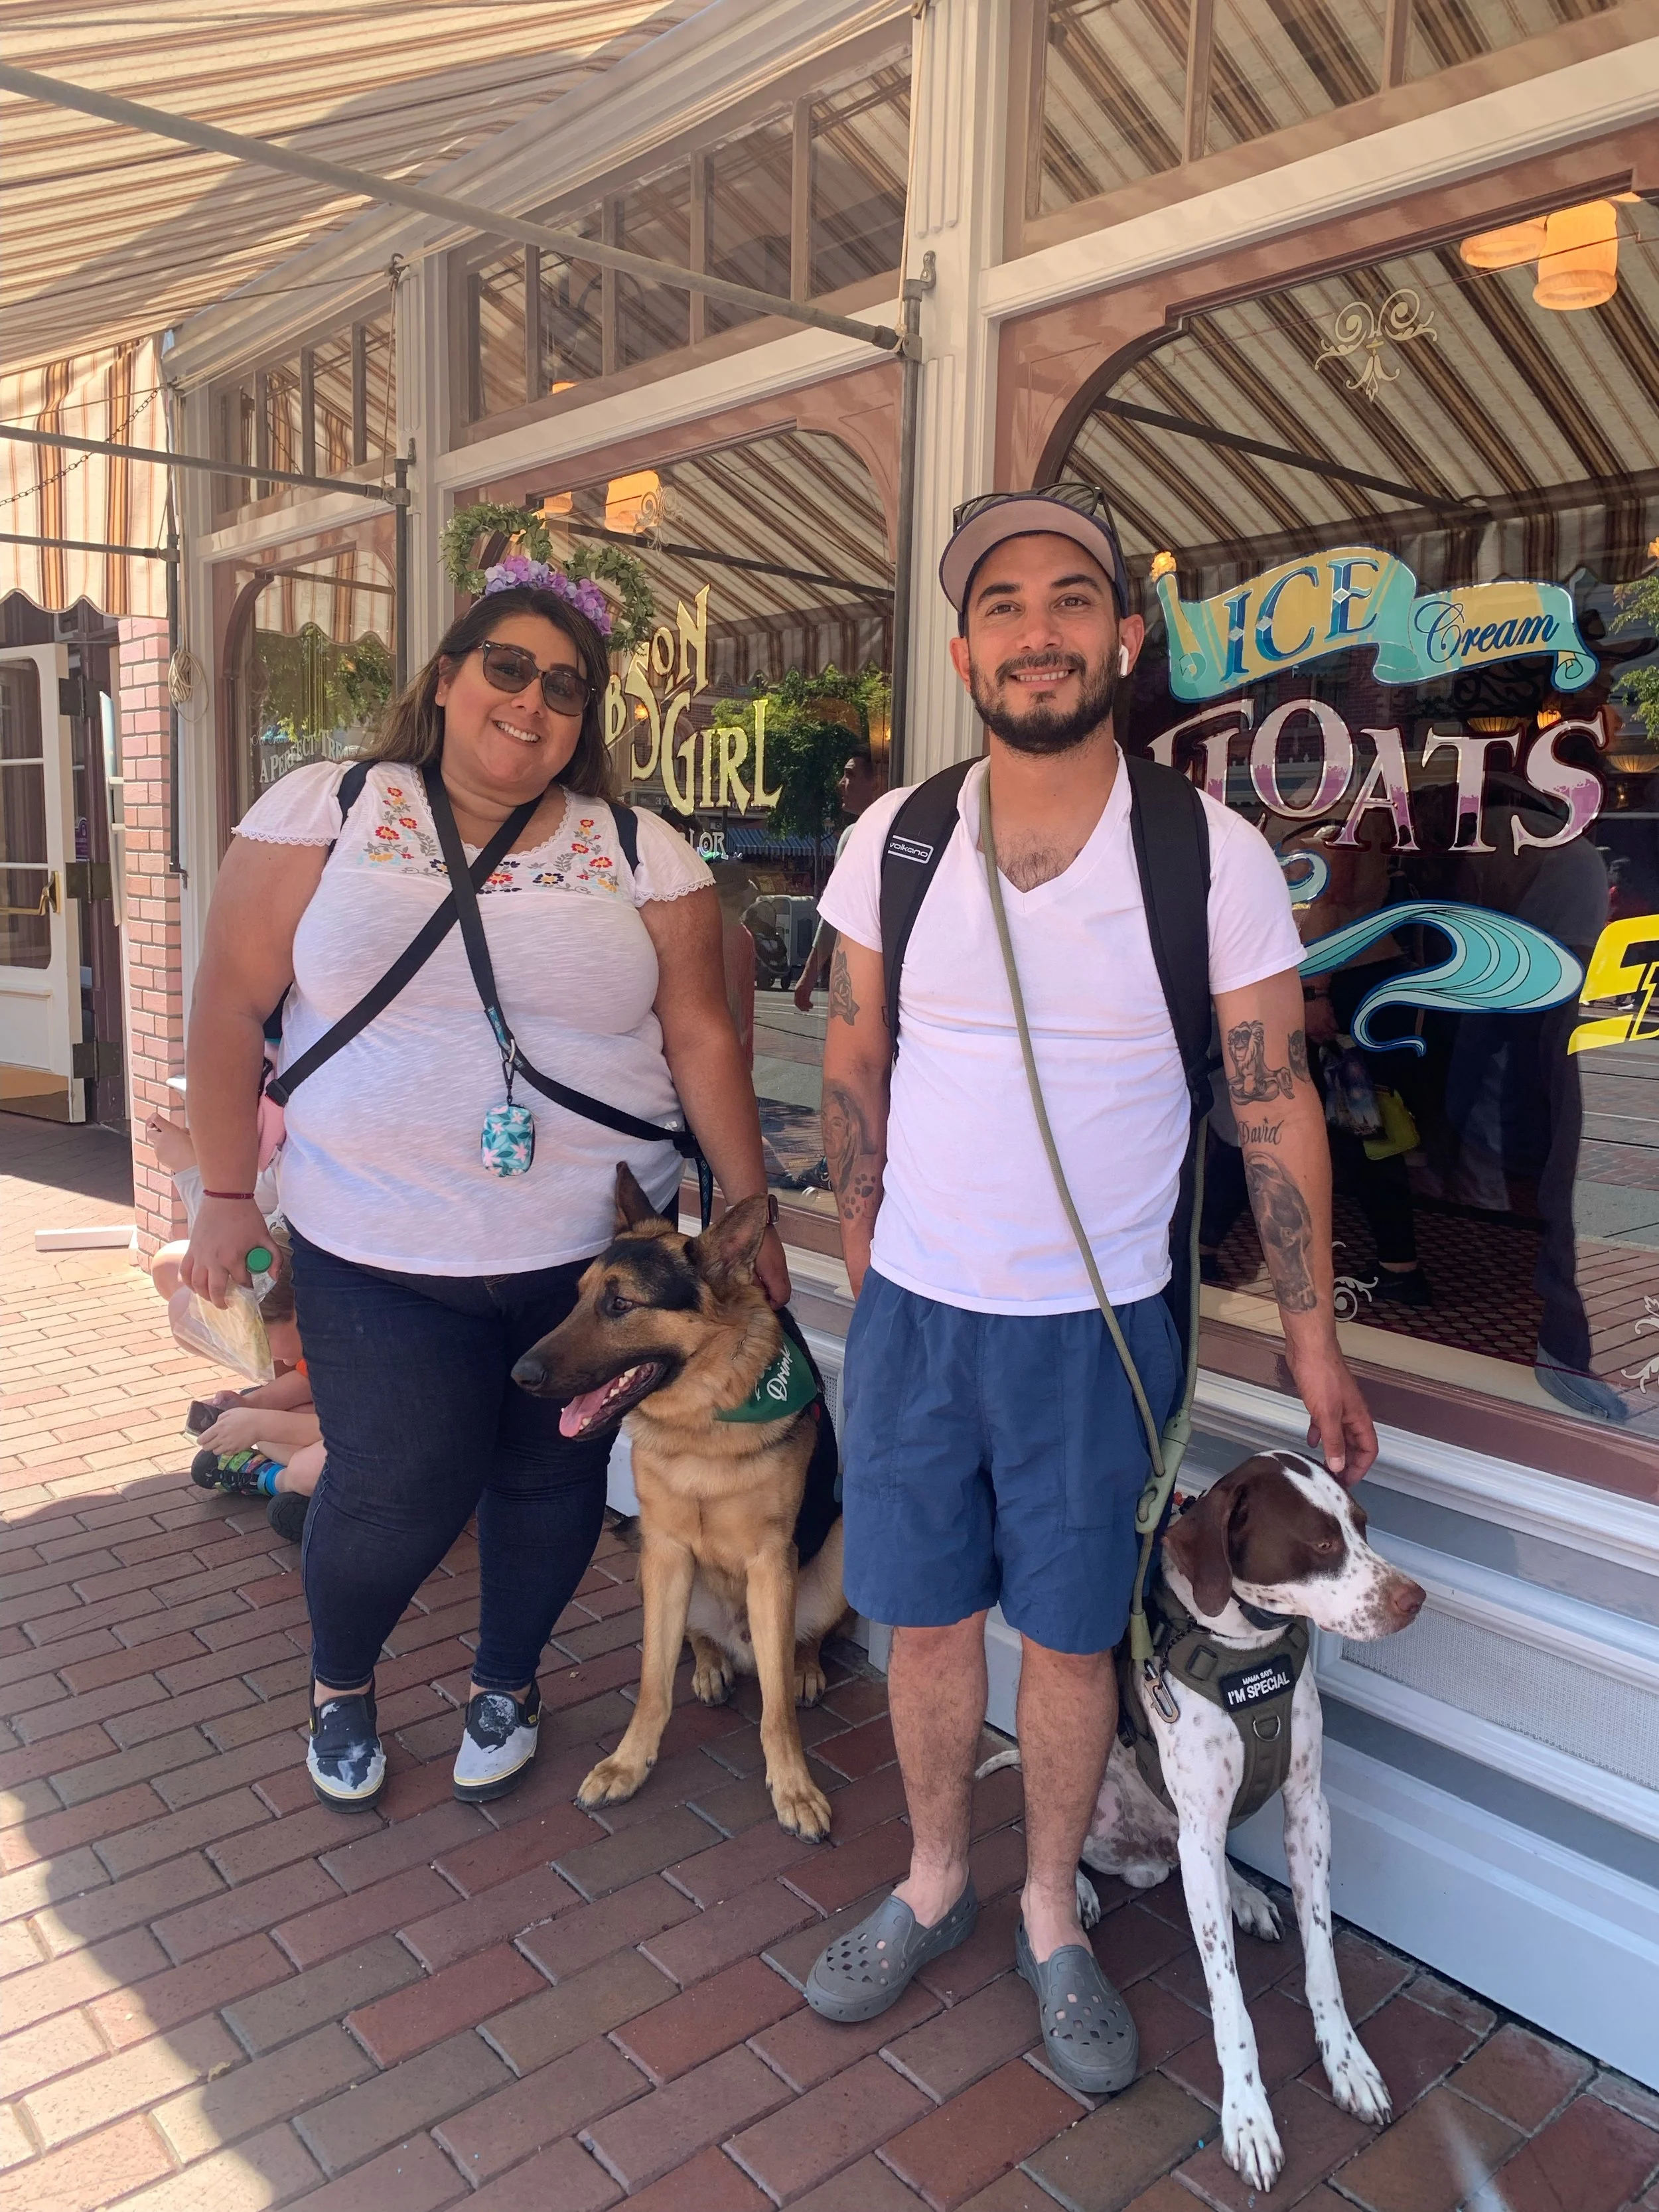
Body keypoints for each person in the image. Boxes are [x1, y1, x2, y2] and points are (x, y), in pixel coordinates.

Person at [802, 486, 1376, 2094]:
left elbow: (1268, 1096)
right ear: (967, 642)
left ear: (1122, 637)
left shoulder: (1209, 853)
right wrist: (862, 1243)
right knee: (922, 1627)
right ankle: (934, 1878)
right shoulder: (897, 837)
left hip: (1102, 1333)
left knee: (1065, 1645)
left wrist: (1315, 1338)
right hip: (917, 1312)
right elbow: (855, 1045)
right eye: (1002, 604)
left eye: (1070, 600)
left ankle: (1051, 1911)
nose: (1036, 631)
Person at [181, 563, 787, 1812]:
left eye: (566, 687)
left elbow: (702, 1041)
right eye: (506, 667)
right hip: (377, 1244)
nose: (532, 701)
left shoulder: (642, 851)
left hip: (589, 1262)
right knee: (396, 1480)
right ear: (448, 678)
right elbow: (230, 1007)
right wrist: (225, 1194)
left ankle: (506, 1680)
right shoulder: (329, 810)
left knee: (550, 1479)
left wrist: (748, 1210)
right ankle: (340, 1682)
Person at [792, 745, 884, 1011]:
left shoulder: (857, 834)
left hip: (861, 973)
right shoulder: (903, 828)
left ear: (876, 783)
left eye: (850, 775)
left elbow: (835, 914)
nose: (841, 784)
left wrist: (808, 978)